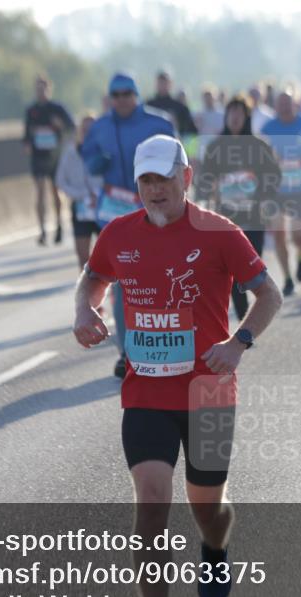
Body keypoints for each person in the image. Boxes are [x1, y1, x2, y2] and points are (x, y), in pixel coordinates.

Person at [73, 134, 283, 597]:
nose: (154, 190)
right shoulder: (119, 234)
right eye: (145, 180)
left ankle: (215, 549)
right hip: (145, 393)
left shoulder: (220, 233)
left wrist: (238, 344)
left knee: (207, 508)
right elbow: (93, 278)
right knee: (151, 498)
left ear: (185, 178)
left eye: (164, 179)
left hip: (209, 390)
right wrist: (85, 310)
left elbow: (269, 294)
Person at [81, 72, 176, 378]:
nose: (121, 99)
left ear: (136, 94)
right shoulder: (100, 126)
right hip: (119, 215)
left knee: (165, 278)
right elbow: (89, 159)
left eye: (127, 93)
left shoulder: (158, 123)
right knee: (123, 284)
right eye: (116, 94)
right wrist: (98, 161)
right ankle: (126, 353)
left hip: (157, 210)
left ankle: (169, 341)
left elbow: (179, 161)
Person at [197, 96, 282, 320]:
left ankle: (254, 307)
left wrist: (263, 194)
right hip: (226, 217)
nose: (235, 117)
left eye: (240, 113)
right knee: (232, 270)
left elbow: (274, 175)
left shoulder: (258, 145)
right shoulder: (216, 146)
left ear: (246, 117)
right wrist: (207, 199)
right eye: (231, 112)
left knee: (251, 269)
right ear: (226, 116)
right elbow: (205, 178)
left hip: (254, 215)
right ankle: (244, 316)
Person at [261, 90, 301, 296]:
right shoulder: (267, 128)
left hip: (299, 189)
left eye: (287, 102)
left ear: (295, 104)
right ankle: (287, 278)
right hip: (275, 191)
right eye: (280, 103)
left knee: (297, 236)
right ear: (275, 106)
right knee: (278, 236)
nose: (284, 107)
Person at [23, 75, 75, 246]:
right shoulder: (31, 110)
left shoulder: (57, 108)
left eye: (44, 88)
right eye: (38, 89)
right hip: (38, 156)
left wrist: (59, 125)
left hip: (55, 156)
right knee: (39, 192)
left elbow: (72, 126)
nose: (41, 92)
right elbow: (26, 134)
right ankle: (42, 230)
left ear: (49, 89)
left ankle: (59, 225)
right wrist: (28, 143)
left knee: (55, 191)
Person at [55, 114, 103, 270]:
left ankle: (111, 292)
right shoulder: (70, 153)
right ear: (79, 131)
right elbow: (60, 181)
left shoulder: (105, 151)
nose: (87, 132)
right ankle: (87, 292)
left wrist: (100, 193)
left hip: (103, 207)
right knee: (83, 258)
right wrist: (79, 194)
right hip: (80, 208)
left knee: (109, 256)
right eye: (84, 129)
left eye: (92, 129)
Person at [147, 70, 198, 137]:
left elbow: (192, 131)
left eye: (165, 82)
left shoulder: (180, 107)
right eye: (160, 82)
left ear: (171, 84)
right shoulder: (148, 105)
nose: (163, 85)